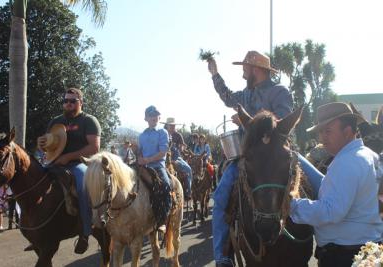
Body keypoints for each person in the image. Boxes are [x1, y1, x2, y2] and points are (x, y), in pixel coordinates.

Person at [207, 50, 293, 266]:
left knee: (320, 183)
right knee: (220, 199)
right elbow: (227, 97)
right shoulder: (245, 95)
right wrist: (215, 74)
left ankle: (330, 238)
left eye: (245, 67)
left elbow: (282, 124)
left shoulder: (279, 91)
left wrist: (248, 122)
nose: (243, 71)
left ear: (256, 68)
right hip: (248, 158)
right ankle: (222, 256)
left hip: (276, 157)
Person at [290, 102, 383, 267]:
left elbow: (331, 211)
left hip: (344, 256)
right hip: (366, 250)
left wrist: (290, 205)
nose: (322, 138)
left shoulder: (346, 162)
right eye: (320, 132)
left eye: (328, 131)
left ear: (347, 132)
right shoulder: (369, 155)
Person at [37, 87, 101, 254]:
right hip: (54, 163)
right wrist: (42, 145)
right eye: (66, 101)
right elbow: (49, 146)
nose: (68, 104)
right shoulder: (56, 121)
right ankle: (37, 233)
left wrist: (69, 157)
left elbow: (94, 147)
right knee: (34, 182)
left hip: (78, 164)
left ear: (81, 103)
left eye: (73, 101)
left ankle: (86, 232)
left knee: (82, 186)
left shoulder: (88, 121)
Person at [137, 106, 172, 231]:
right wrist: (140, 158)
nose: (153, 117)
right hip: (143, 167)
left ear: (159, 117)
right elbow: (139, 151)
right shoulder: (141, 136)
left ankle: (162, 219)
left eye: (156, 115)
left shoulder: (162, 132)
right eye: (151, 115)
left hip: (157, 166)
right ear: (146, 118)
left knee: (165, 186)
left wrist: (147, 160)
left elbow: (163, 152)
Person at [162, 117, 193, 200]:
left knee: (189, 169)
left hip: (176, 158)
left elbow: (182, 146)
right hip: (162, 158)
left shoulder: (178, 135)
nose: (173, 127)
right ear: (167, 126)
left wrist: (181, 148)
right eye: (171, 126)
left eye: (174, 126)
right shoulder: (162, 134)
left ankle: (188, 192)